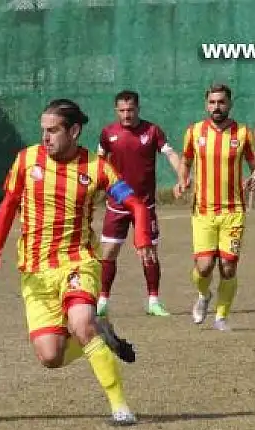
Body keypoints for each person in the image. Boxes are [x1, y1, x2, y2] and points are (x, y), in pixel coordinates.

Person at [0, 98, 154, 426]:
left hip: (78, 262)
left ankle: (120, 407)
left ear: (74, 131)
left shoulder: (97, 168)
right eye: (43, 130)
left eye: (53, 131)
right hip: (35, 272)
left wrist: (142, 237)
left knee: (82, 323)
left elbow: (136, 204)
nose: (45, 137)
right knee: (50, 356)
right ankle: (102, 336)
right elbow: (7, 207)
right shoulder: (26, 160)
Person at [175, 83, 255, 331]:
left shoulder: (243, 133)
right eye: (212, 102)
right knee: (204, 267)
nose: (217, 107)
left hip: (233, 211)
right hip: (203, 210)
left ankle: (221, 317)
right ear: (206, 105)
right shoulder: (194, 131)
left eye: (221, 102)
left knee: (228, 266)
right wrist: (182, 180)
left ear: (230, 104)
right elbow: (186, 160)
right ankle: (203, 296)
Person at [96, 90, 183, 318]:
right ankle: (103, 301)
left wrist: (182, 176)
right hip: (117, 203)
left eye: (130, 110)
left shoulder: (152, 131)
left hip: (144, 205)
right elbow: (98, 164)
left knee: (149, 253)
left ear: (138, 109)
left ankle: (153, 301)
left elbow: (171, 154)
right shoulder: (108, 133)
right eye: (122, 110)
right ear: (116, 111)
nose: (126, 115)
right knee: (109, 252)